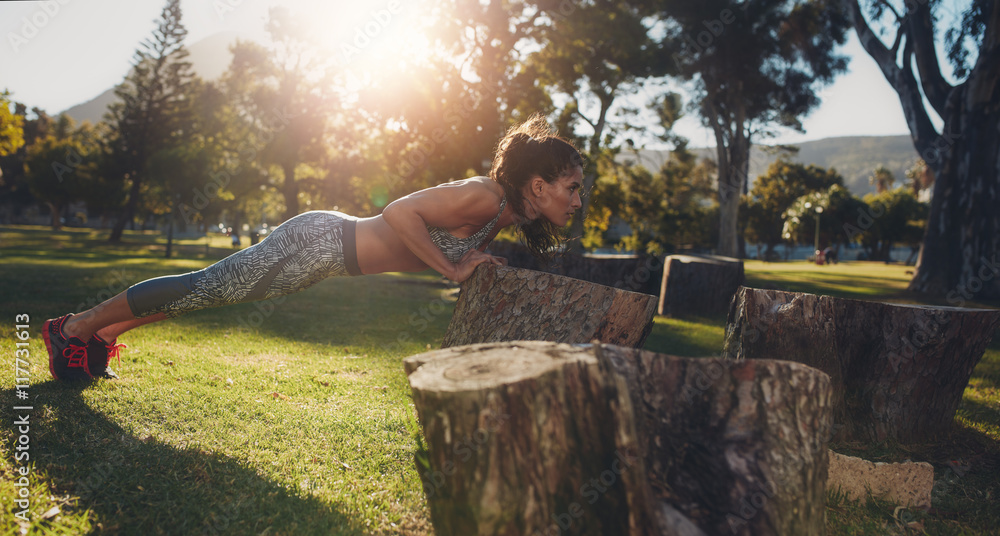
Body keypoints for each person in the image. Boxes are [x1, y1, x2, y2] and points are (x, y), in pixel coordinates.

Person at [42, 114, 584, 381]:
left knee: (210, 296)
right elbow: (398, 212)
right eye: (573, 188)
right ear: (539, 185)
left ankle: (101, 334)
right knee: (201, 286)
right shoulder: (484, 197)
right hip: (318, 241)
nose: (578, 200)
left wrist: (461, 260)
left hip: (323, 260)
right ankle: (71, 328)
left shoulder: (499, 214)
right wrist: (451, 269)